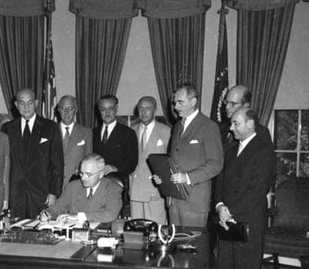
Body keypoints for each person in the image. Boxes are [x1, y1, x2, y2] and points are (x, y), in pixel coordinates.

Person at [213, 108, 275, 269]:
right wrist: (220, 206)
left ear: (250, 124)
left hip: (249, 222)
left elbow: (257, 190)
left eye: (236, 123)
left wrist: (230, 211)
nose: (231, 128)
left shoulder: (264, 151)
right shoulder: (230, 150)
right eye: (231, 123)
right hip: (226, 220)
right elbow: (220, 183)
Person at [156, 84, 223, 227]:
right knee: (175, 245)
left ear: (193, 102)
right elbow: (173, 160)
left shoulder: (208, 126)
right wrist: (163, 177)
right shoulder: (177, 126)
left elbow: (216, 164)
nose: (176, 107)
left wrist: (187, 177)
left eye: (180, 102)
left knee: (193, 246)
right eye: (175, 103)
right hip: (174, 201)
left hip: (194, 202)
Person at [2, 88, 64, 219]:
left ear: (36, 103)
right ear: (16, 105)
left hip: (41, 193)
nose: (26, 107)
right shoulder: (7, 128)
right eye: (22, 103)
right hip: (16, 195)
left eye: (30, 102)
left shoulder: (50, 127)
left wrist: (53, 192)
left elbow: (57, 163)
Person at [40, 153, 122, 223]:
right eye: (81, 173)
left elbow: (111, 214)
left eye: (88, 174)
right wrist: (48, 213)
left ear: (101, 174)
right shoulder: (72, 187)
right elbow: (59, 207)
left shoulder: (113, 189)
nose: (83, 178)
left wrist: (78, 216)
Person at [130, 96, 170, 224]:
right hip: (135, 191)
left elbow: (170, 162)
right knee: (137, 232)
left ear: (155, 110)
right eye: (141, 108)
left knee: (156, 230)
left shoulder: (166, 131)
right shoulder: (131, 131)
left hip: (155, 191)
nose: (144, 111)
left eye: (148, 108)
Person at [93, 94, 138, 188]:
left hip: (117, 184)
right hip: (95, 184)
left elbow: (132, 162)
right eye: (103, 109)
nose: (107, 112)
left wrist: (115, 168)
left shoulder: (128, 133)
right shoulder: (92, 133)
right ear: (99, 110)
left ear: (116, 109)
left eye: (111, 108)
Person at [220, 85, 272, 151]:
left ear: (246, 105)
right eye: (226, 102)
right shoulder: (220, 128)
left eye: (233, 104)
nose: (227, 107)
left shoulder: (260, 132)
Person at [57, 95, 92, 188]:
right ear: (58, 110)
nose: (66, 112)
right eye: (63, 108)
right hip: (53, 186)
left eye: (70, 108)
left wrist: (81, 170)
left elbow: (89, 160)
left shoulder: (86, 132)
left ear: (75, 110)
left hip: (77, 185)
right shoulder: (50, 131)